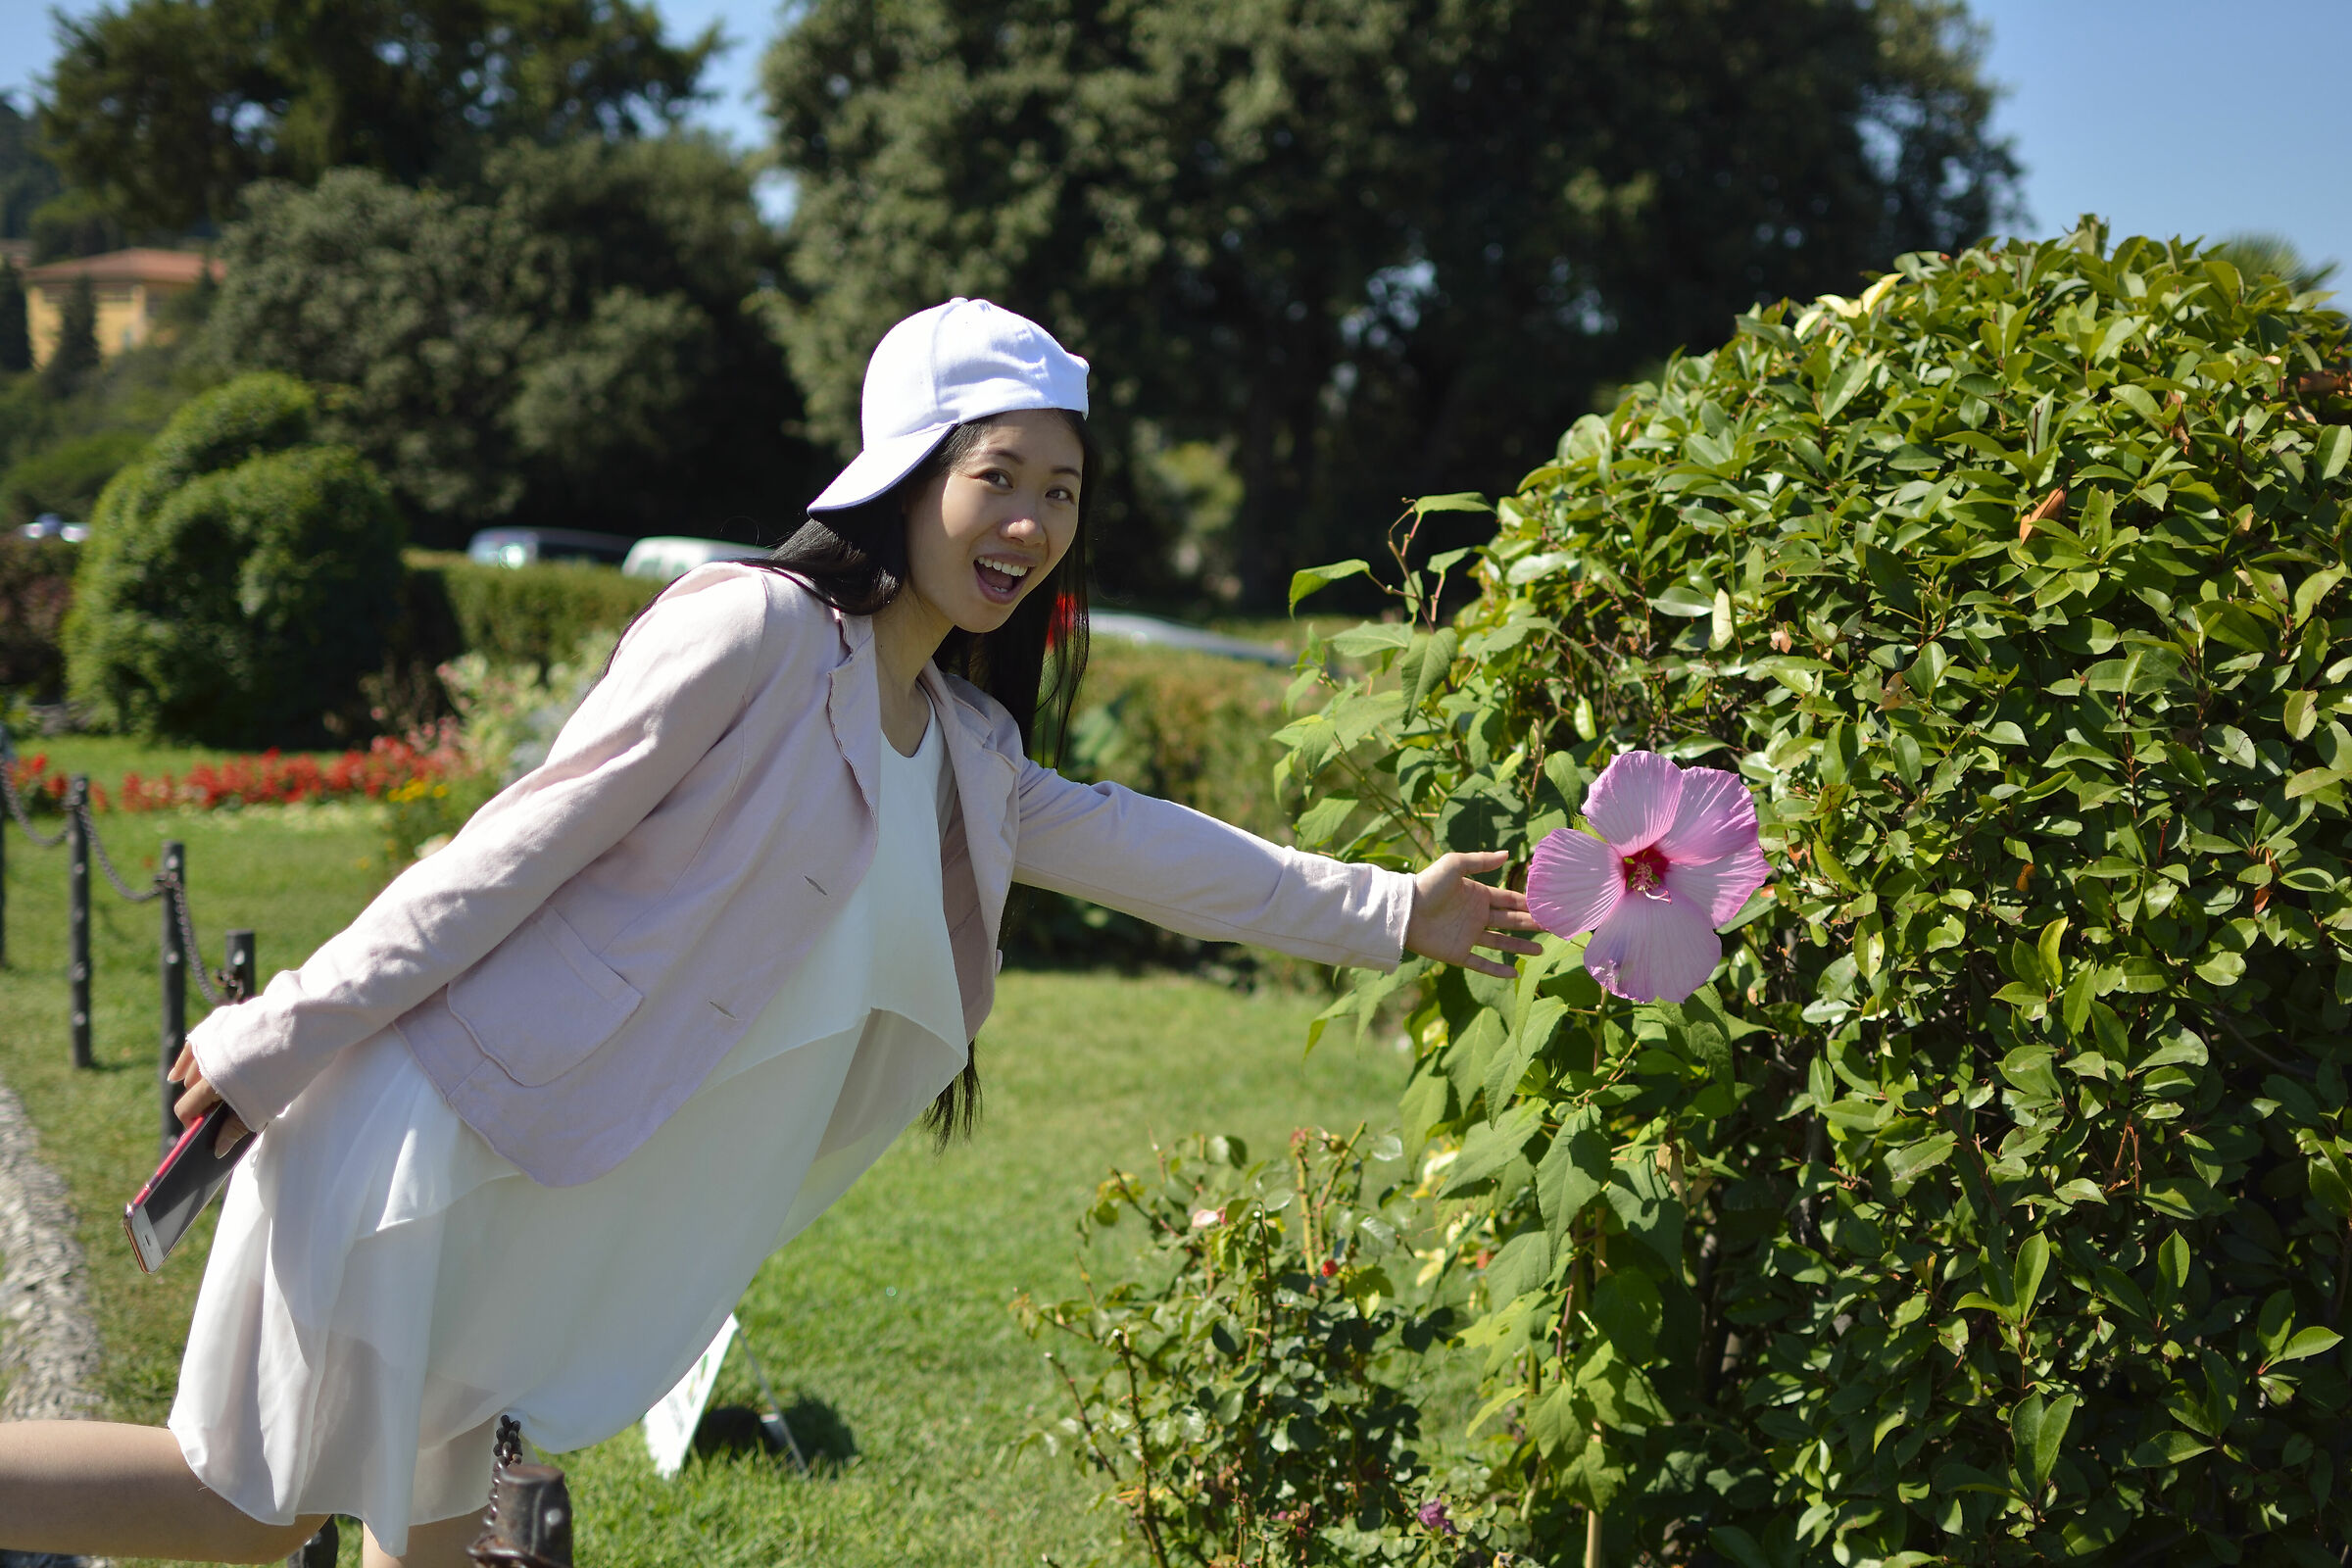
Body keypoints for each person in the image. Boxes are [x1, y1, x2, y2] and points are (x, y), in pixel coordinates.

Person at [0, 299, 1539, 1566]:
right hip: (435, 1139)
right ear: (905, 468)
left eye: (1061, 493)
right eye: (997, 475)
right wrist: (280, 1036)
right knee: (239, 1514)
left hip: (536, 1190)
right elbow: (506, 852)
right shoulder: (745, 632)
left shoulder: (968, 758)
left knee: (432, 1529)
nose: (1030, 523)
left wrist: (1400, 912)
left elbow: (1163, 853)